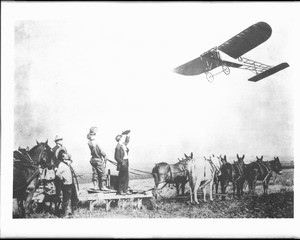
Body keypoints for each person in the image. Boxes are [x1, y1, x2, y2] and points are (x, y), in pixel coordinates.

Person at [55, 153, 79, 217]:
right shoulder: (62, 165)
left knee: (74, 198)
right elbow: (57, 174)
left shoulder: (67, 165)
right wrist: (62, 179)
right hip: (66, 185)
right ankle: (64, 214)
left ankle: (74, 213)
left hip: (71, 184)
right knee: (66, 199)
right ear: (64, 159)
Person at [87, 127, 109, 191]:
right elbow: (101, 151)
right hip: (98, 159)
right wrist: (105, 156)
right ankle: (103, 187)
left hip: (93, 159)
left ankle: (95, 186)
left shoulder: (89, 143)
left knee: (95, 173)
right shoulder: (96, 143)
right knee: (102, 173)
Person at [114, 130, 131, 195]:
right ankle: (120, 190)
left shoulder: (123, 144)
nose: (122, 138)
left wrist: (127, 135)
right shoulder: (118, 147)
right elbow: (116, 157)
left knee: (126, 177)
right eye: (121, 137)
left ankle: (125, 190)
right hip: (123, 163)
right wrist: (122, 162)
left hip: (126, 161)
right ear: (119, 139)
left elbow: (127, 141)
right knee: (122, 177)